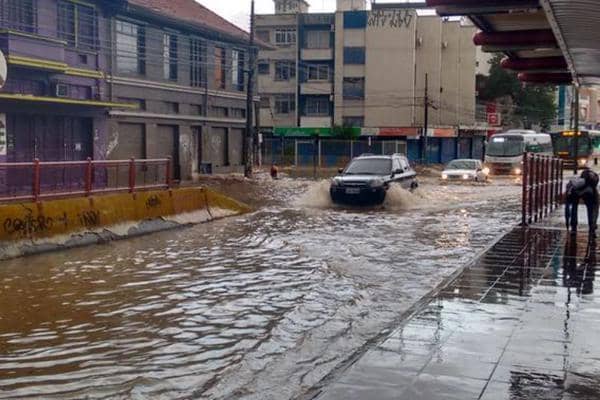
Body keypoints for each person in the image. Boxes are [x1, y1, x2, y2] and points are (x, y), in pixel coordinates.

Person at [565, 167, 599, 236]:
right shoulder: (592, 188)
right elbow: (595, 209)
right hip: (581, 192)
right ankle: (591, 229)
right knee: (590, 209)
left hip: (576, 192)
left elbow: (569, 190)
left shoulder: (579, 182)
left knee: (574, 208)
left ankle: (574, 228)